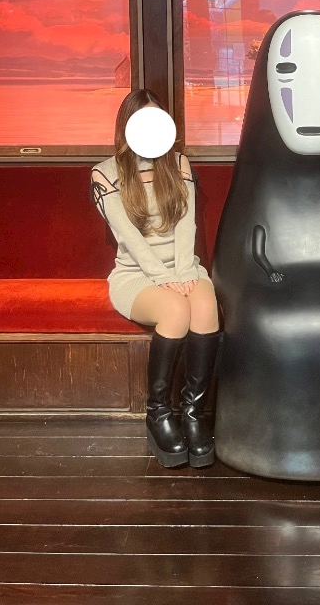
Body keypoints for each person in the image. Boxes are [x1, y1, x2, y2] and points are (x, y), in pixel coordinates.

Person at [91, 88, 220, 469]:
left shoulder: (178, 164)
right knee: (176, 310)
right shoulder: (105, 173)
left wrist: (184, 273)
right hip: (136, 274)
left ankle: (193, 414)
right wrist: (163, 278)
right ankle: (158, 413)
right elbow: (129, 238)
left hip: (183, 266)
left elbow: (186, 226)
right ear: (126, 126)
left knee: (205, 306)